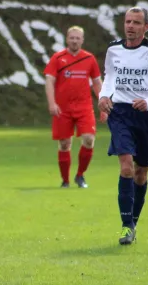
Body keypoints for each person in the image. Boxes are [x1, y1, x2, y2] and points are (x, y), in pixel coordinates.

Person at [98, 7, 148, 245]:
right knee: (126, 168)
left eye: (136, 22)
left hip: (147, 116)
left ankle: (134, 220)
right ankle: (126, 226)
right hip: (120, 112)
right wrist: (104, 95)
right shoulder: (113, 49)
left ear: (146, 27)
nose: (130, 26)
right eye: (127, 21)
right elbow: (110, 76)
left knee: (141, 172)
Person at [44, 26, 106, 188]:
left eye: (77, 38)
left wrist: (103, 105)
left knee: (88, 139)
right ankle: (65, 180)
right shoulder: (58, 58)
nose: (74, 41)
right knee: (64, 143)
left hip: (84, 107)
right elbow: (49, 81)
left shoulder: (89, 59)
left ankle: (80, 175)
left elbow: (97, 83)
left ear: (82, 40)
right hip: (63, 109)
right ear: (67, 39)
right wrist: (52, 103)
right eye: (72, 38)